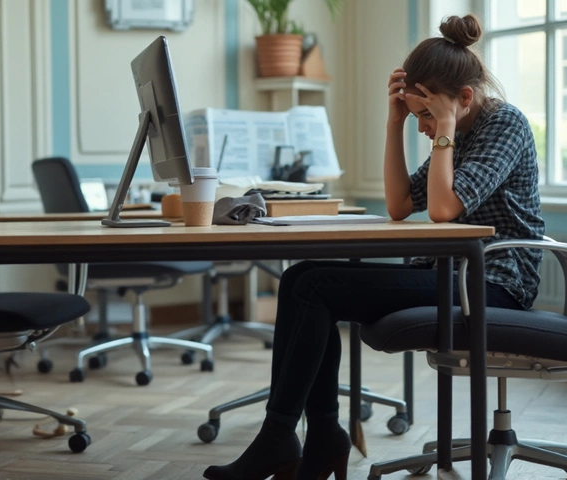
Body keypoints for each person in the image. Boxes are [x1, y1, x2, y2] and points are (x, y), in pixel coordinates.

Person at [204, 13, 545, 480]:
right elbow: (402, 203)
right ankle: (315, 434)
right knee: (301, 277)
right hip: (454, 274)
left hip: (494, 282)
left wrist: (441, 126)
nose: (422, 128)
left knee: (315, 285)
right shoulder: (458, 133)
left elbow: (443, 210)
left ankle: (286, 437)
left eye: (426, 115)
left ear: (464, 99)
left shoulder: (503, 124)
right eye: (418, 118)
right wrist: (394, 123)